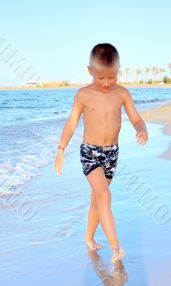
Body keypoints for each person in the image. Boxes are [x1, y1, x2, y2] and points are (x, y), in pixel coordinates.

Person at [54, 43, 148, 263]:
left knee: (97, 197)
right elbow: (71, 123)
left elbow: (135, 117)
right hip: (90, 153)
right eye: (100, 78)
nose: (106, 83)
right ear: (90, 71)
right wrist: (60, 150)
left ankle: (89, 237)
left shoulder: (122, 93)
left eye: (112, 77)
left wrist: (142, 129)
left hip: (112, 154)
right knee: (104, 195)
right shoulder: (83, 95)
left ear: (118, 70)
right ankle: (116, 246)